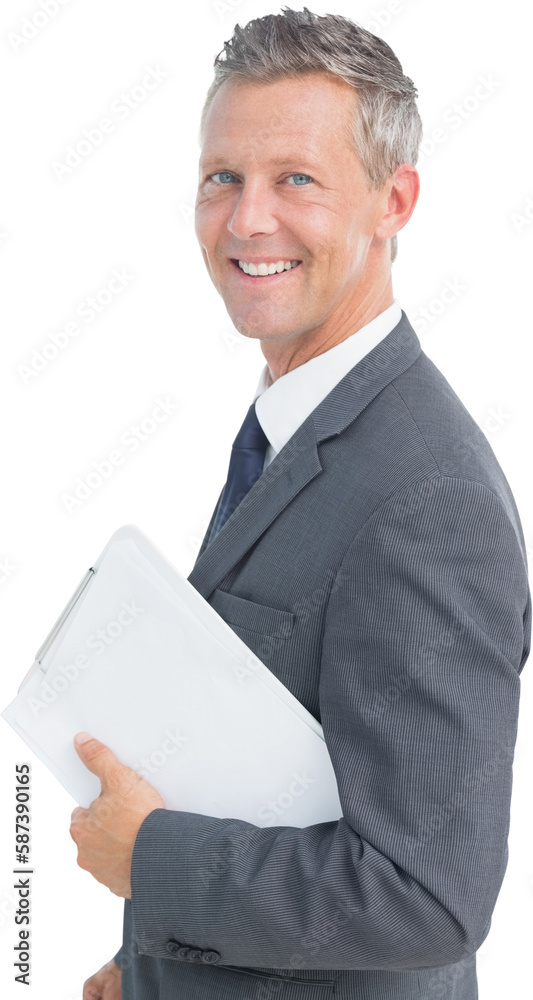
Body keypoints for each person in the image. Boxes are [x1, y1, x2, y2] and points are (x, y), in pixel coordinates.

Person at [69, 9, 531, 1000]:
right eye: (221, 177)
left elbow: (425, 897)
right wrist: (142, 959)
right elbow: (263, 767)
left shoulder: (428, 499)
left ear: (391, 201)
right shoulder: (296, 423)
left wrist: (150, 866)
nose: (247, 219)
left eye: (297, 181)